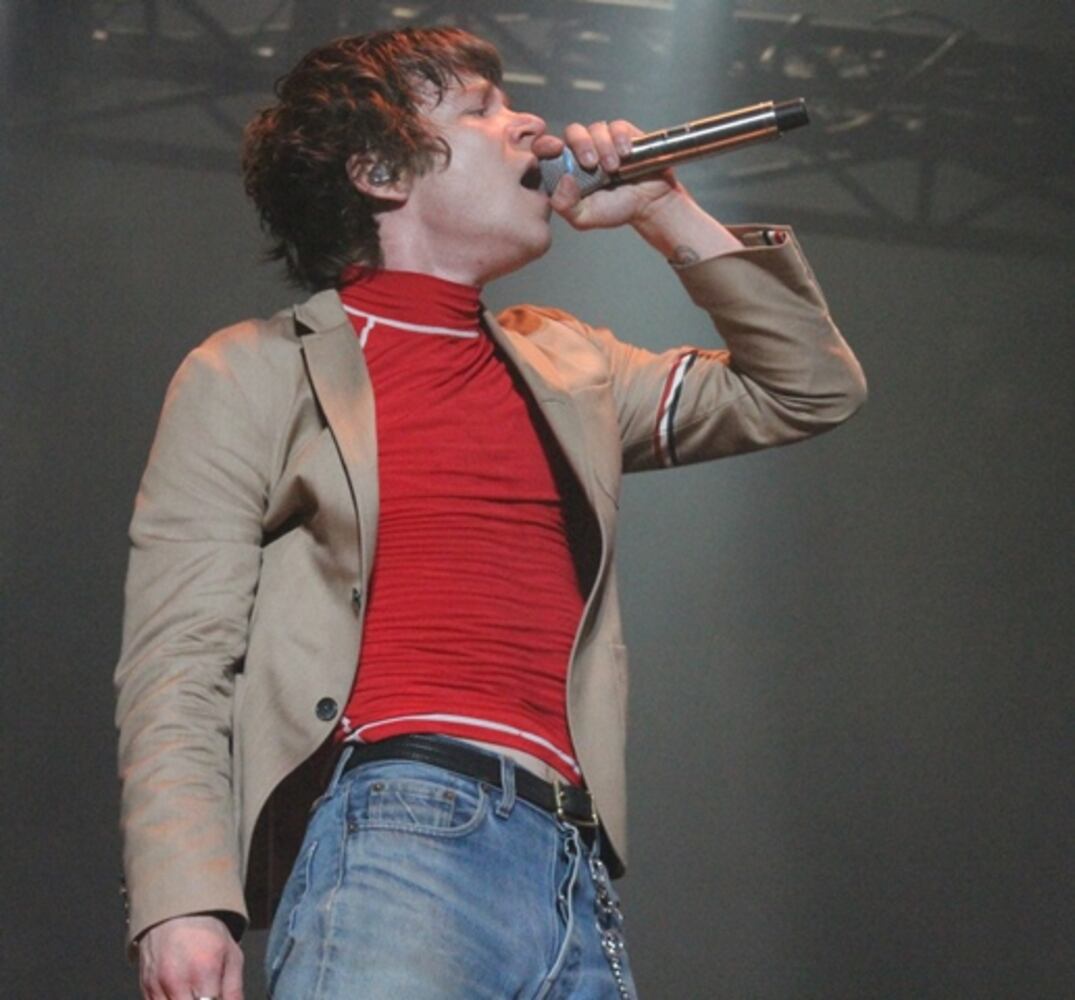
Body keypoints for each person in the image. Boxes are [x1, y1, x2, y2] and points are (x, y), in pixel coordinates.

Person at [114, 25, 866, 1000]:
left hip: (571, 864)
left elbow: (806, 388)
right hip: (396, 827)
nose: (532, 126)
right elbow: (178, 656)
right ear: (380, 170)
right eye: (480, 109)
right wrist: (182, 897)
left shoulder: (568, 363)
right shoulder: (253, 371)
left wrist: (664, 210)